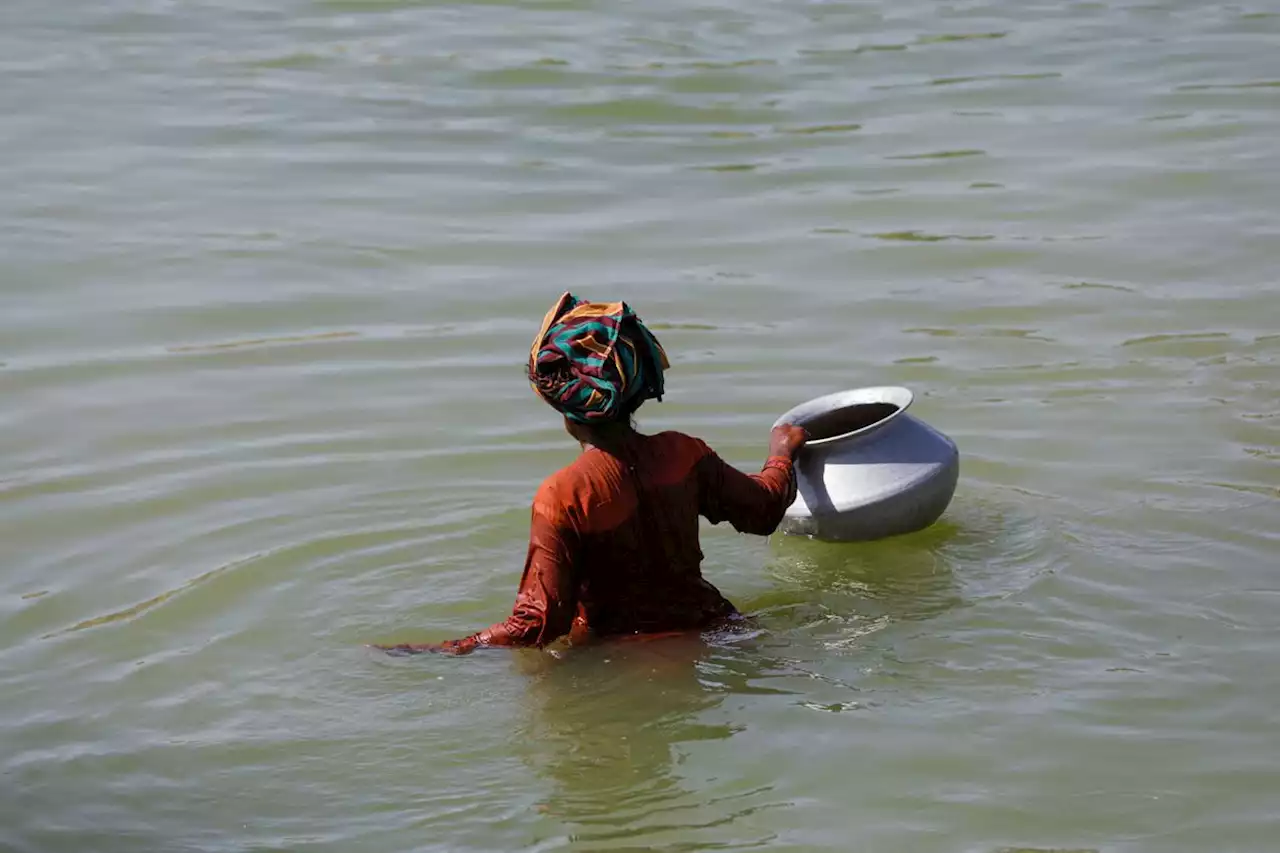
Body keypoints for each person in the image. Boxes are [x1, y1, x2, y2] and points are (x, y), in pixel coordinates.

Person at [378, 291, 808, 655]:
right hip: (721, 630)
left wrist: (448, 649)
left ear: (558, 406)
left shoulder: (564, 495)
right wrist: (781, 454)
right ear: (639, 387)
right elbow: (765, 509)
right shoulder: (683, 454)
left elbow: (539, 623)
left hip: (621, 657)